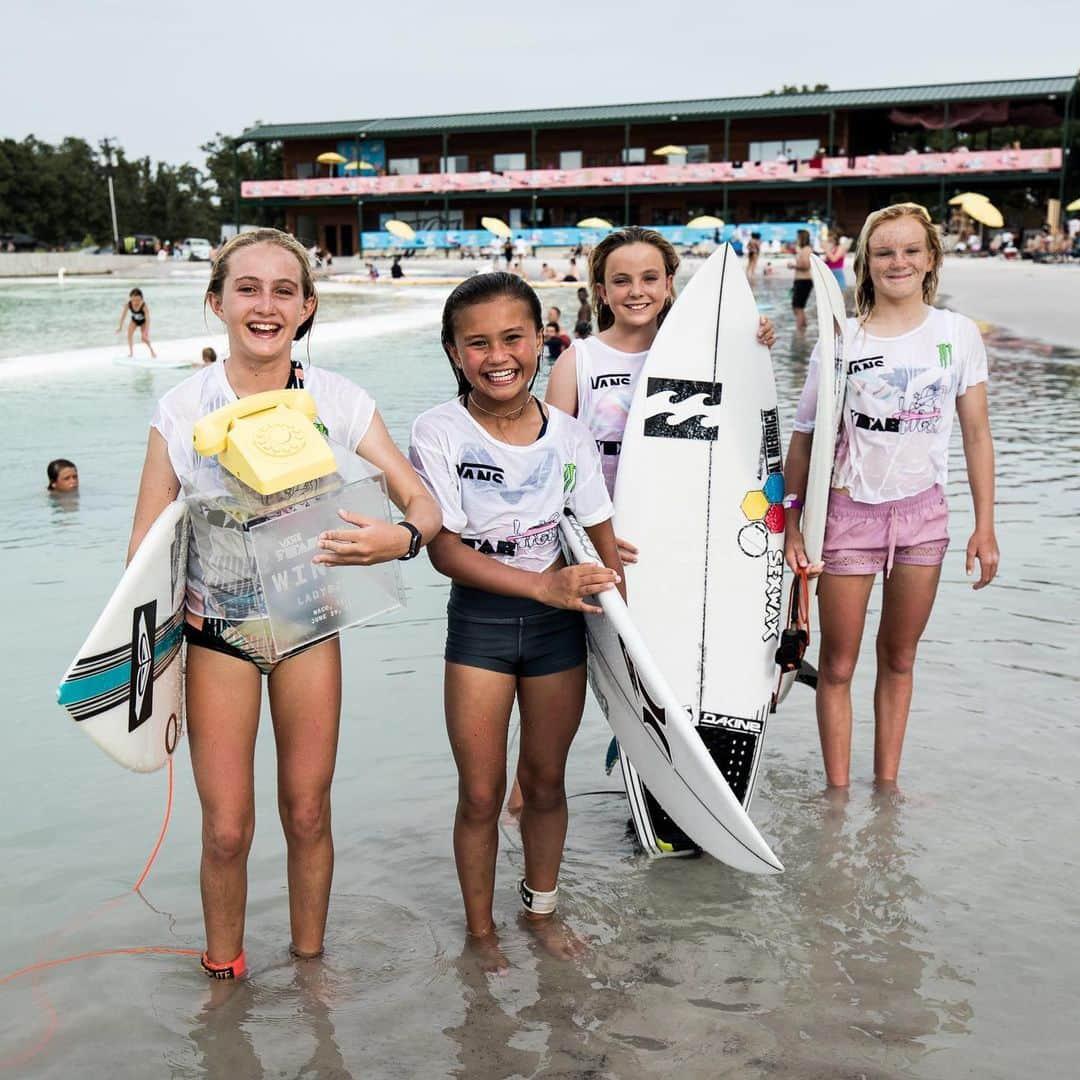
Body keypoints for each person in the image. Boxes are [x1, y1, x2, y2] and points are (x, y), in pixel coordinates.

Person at [126, 228, 441, 979]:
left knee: (307, 812)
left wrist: (401, 540)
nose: (265, 305)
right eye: (247, 288)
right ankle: (223, 973)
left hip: (309, 620)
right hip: (215, 633)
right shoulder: (179, 409)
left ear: (306, 308)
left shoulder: (338, 399)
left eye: (283, 291)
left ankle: (309, 970)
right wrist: (156, 655)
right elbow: (143, 547)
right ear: (217, 302)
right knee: (227, 831)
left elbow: (421, 501)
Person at [504, 227, 775, 813]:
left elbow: (732, 453)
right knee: (568, 684)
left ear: (670, 283)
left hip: (672, 548)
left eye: (650, 278)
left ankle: (661, 786)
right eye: (621, 280)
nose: (636, 291)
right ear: (600, 290)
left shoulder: (703, 355)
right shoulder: (581, 359)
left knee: (668, 674)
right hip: (597, 552)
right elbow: (549, 461)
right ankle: (522, 801)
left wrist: (752, 348)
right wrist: (582, 540)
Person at [409, 272, 623, 971]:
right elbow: (444, 551)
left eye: (512, 338)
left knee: (545, 782)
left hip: (560, 628)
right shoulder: (437, 431)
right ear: (453, 351)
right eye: (477, 343)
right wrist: (543, 584)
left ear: (540, 340)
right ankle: (481, 933)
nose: (497, 355)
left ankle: (540, 912)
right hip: (482, 627)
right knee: (479, 791)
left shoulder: (570, 437)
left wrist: (628, 626)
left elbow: (603, 539)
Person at [783, 203, 998, 789]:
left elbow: (977, 434)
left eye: (909, 250)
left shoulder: (956, 334)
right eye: (884, 252)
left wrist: (986, 527)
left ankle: (886, 790)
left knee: (899, 658)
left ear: (930, 259)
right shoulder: (840, 339)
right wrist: (793, 524)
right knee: (839, 664)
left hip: (923, 515)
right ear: (866, 263)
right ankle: (836, 797)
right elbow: (803, 438)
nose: (897, 261)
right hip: (849, 512)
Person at [116, 288, 157, 359]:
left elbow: (148, 319)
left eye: (138, 300)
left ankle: (152, 351)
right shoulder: (128, 304)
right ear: (130, 298)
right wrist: (120, 327)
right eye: (133, 300)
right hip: (134, 321)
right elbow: (123, 316)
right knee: (129, 335)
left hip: (143, 322)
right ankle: (131, 353)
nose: (135, 302)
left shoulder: (143, 305)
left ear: (141, 299)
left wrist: (146, 331)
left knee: (144, 338)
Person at [790, 228, 814, 331]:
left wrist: (793, 266)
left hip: (803, 281)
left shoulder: (806, 250)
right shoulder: (805, 249)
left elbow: (806, 266)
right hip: (803, 281)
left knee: (797, 307)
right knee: (799, 307)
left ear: (801, 238)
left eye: (798, 237)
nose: (796, 239)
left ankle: (799, 331)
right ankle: (803, 328)